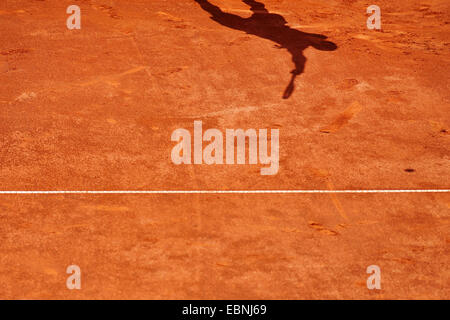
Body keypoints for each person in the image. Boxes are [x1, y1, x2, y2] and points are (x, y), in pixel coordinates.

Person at [194, 0, 337, 98]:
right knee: (222, 19)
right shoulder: (302, 45)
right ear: (320, 46)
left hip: (271, 23)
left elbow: (302, 55)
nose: (320, 44)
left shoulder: (306, 42)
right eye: (322, 46)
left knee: (255, 8)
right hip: (260, 26)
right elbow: (299, 58)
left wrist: (298, 67)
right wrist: (298, 69)